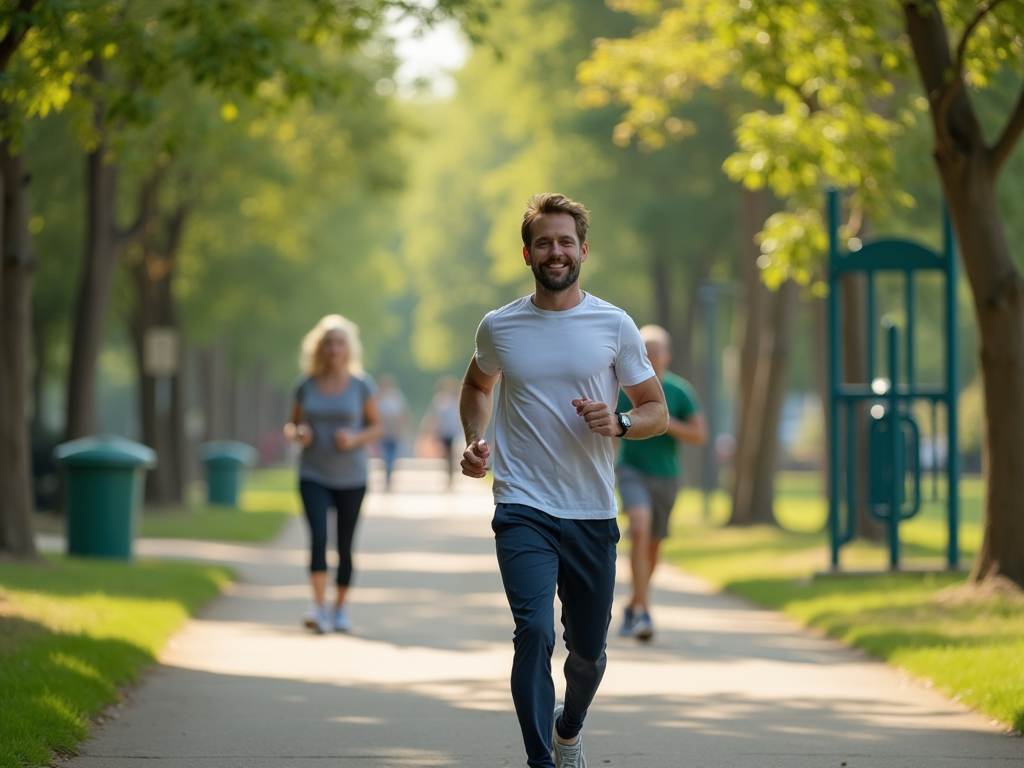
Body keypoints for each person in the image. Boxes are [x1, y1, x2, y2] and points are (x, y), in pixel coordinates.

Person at [460, 193, 668, 768]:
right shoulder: (500, 326)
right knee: (533, 631)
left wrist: (621, 421)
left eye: (566, 242)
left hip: (591, 510)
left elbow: (656, 409)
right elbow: (478, 387)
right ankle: (540, 761)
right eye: (545, 242)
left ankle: (568, 727)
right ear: (528, 252)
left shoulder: (613, 323)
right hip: (522, 504)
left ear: (583, 251)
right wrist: (477, 441)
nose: (556, 251)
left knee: (588, 654)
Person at [284, 315, 383, 634]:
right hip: (313, 471)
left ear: (348, 348)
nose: (334, 348)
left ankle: (339, 609)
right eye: (328, 343)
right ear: (319, 348)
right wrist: (300, 434)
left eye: (339, 342)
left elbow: (377, 426)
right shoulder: (306, 384)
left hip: (352, 475)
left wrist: (354, 438)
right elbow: (291, 426)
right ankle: (319, 608)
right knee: (317, 538)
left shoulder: (361, 384)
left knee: (344, 543)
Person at [615, 325, 707, 642]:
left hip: (666, 476)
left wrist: (661, 420)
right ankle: (644, 612)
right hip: (631, 469)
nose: (651, 356)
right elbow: (609, 431)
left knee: (653, 544)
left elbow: (698, 435)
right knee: (639, 526)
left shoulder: (679, 391)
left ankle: (634, 603)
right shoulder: (623, 388)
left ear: (667, 355)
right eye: (645, 351)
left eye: (656, 351)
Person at [422, 376, 462, 486]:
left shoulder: (457, 399)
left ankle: (452, 474)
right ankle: (448, 473)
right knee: (445, 454)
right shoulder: (439, 399)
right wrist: (430, 428)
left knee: (452, 453)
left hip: (454, 431)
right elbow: (434, 415)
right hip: (443, 431)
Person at [376, 374, 411, 490]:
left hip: (394, 432)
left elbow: (402, 414)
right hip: (384, 432)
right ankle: (387, 475)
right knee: (386, 455)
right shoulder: (379, 397)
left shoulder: (397, 397)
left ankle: (388, 475)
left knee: (391, 455)